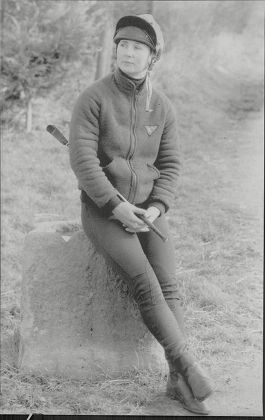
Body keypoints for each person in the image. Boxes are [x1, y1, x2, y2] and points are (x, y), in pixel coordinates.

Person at [69, 14, 213, 415]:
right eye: (123, 45)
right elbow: (83, 161)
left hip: (148, 210)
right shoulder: (93, 98)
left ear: (153, 57)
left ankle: (178, 382)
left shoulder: (162, 106)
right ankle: (188, 366)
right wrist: (116, 205)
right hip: (103, 210)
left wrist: (153, 207)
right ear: (115, 50)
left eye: (138, 48)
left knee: (170, 286)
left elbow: (170, 165)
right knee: (147, 286)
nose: (128, 53)